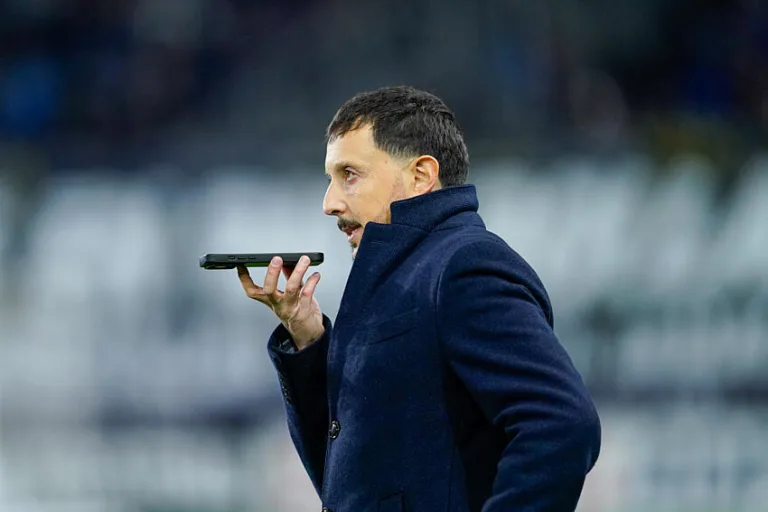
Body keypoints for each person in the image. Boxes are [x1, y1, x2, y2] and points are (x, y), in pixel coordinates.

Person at [236, 85, 601, 512]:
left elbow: (562, 424)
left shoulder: (464, 264)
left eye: (349, 174)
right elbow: (355, 484)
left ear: (421, 175)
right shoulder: (402, 275)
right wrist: (308, 339)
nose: (329, 203)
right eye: (330, 179)